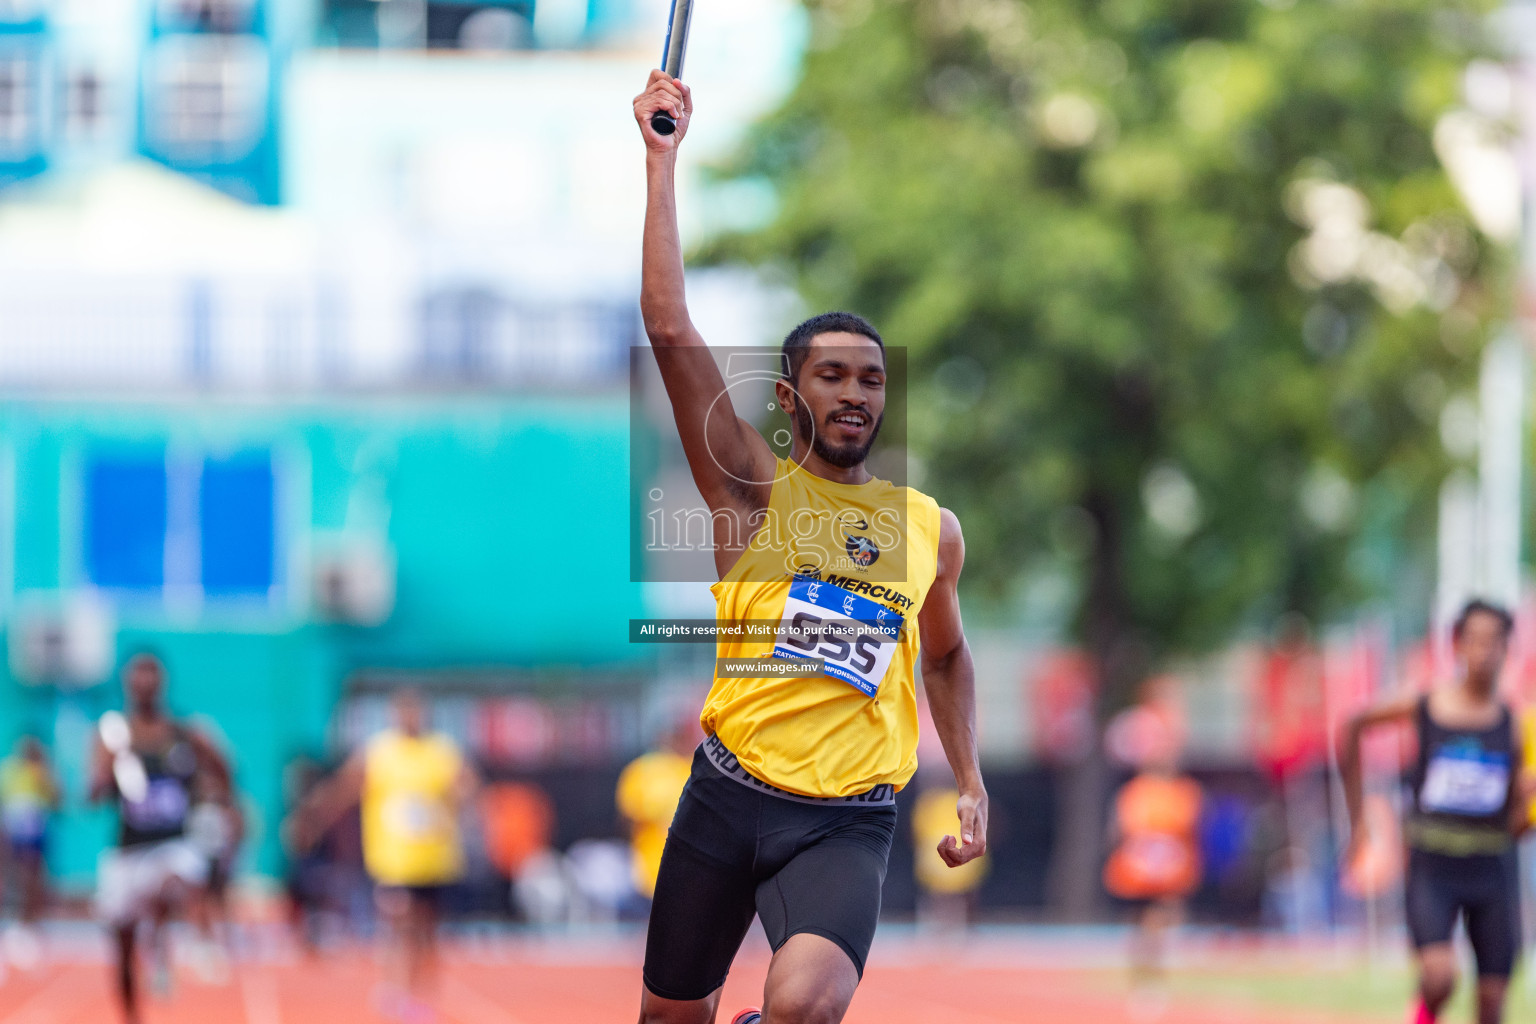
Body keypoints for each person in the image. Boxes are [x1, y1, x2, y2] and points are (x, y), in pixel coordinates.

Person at [632, 70, 989, 1024]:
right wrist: (662, 163)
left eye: (871, 379)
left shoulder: (930, 530)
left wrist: (970, 780)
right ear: (790, 402)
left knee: (804, 1007)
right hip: (727, 795)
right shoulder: (748, 490)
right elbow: (668, 327)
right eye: (831, 376)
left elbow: (947, 657)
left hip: (846, 819)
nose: (856, 394)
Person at [1341, 599, 1532, 1024]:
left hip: (1491, 869)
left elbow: (1516, 826)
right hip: (1433, 864)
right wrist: (1357, 823)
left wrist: (1526, 799)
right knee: (1440, 977)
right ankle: (1424, 1014)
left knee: (1492, 1003)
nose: (1483, 652)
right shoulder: (1426, 706)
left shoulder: (1511, 725)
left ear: (1507, 648)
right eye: (1474, 640)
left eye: (1494, 641)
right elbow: (1354, 726)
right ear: (1456, 645)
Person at [295, 689, 478, 1023]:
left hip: (435, 858)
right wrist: (313, 816)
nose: (410, 718)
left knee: (426, 931)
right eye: (404, 711)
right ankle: (395, 989)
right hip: (393, 859)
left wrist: (463, 797)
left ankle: (421, 995)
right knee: (400, 919)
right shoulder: (379, 751)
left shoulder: (441, 752)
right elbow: (344, 787)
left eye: (416, 711)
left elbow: (468, 786)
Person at [88, 652, 233, 1024]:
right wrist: (111, 770)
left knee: (177, 879)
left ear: (163, 681)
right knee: (121, 944)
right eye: (138, 675)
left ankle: (181, 942)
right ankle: (132, 1013)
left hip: (174, 843)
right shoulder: (112, 735)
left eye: (152, 674)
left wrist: (214, 791)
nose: (146, 683)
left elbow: (225, 768)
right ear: (127, 683)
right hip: (129, 850)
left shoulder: (184, 733)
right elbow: (92, 796)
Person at [0, 736, 61, 964]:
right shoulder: (8, 770)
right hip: (11, 832)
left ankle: (28, 924)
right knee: (8, 878)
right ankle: (13, 922)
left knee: (32, 880)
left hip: (35, 833)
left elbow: (56, 800)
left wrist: (46, 774)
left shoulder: (41, 770)